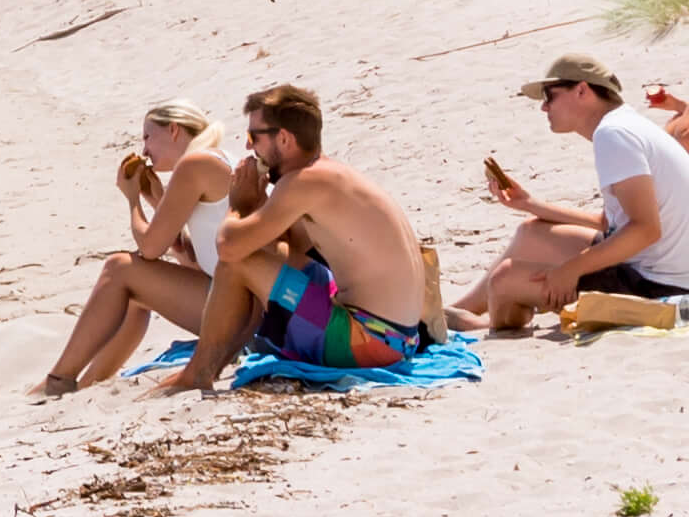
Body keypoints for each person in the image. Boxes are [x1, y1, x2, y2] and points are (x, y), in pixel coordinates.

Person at [171, 82, 447, 385]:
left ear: (285, 139)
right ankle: (225, 354)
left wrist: (237, 205)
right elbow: (289, 248)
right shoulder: (327, 174)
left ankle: (198, 372)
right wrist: (259, 206)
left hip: (371, 342)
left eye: (254, 137)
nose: (249, 147)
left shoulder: (303, 183)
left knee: (238, 260)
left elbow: (228, 248)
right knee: (262, 254)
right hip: (400, 337)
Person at [456, 57, 689, 333]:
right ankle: (460, 311)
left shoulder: (613, 135)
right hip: (675, 272)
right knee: (530, 233)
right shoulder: (624, 125)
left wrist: (571, 270)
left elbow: (646, 230)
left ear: (582, 90)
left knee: (504, 280)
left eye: (550, 96)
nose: (544, 106)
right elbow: (609, 224)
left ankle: (486, 323)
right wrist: (529, 204)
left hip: (661, 287)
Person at [40, 104, 251, 393]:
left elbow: (151, 248)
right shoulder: (216, 159)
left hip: (243, 314)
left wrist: (132, 201)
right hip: (245, 305)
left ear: (174, 130)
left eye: (148, 137)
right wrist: (157, 200)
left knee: (119, 268)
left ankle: (58, 381)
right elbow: (194, 263)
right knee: (136, 296)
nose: (145, 149)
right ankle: (86, 385)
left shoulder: (196, 164)